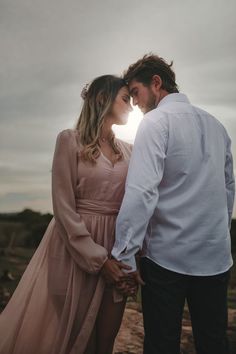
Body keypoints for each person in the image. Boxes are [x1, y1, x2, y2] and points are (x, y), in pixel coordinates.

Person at [0, 75, 135, 354]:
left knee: (105, 342)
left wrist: (131, 258)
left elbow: (138, 204)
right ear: (102, 99)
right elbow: (63, 206)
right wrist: (98, 259)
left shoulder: (130, 150)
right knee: (77, 341)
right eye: (125, 99)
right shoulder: (69, 141)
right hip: (73, 249)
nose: (131, 107)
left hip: (117, 248)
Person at [110, 54, 235, 354]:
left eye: (136, 93)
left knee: (161, 345)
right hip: (215, 259)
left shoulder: (155, 122)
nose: (135, 102)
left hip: (166, 259)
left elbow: (142, 191)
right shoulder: (218, 126)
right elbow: (228, 189)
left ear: (156, 83)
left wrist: (124, 255)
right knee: (213, 343)